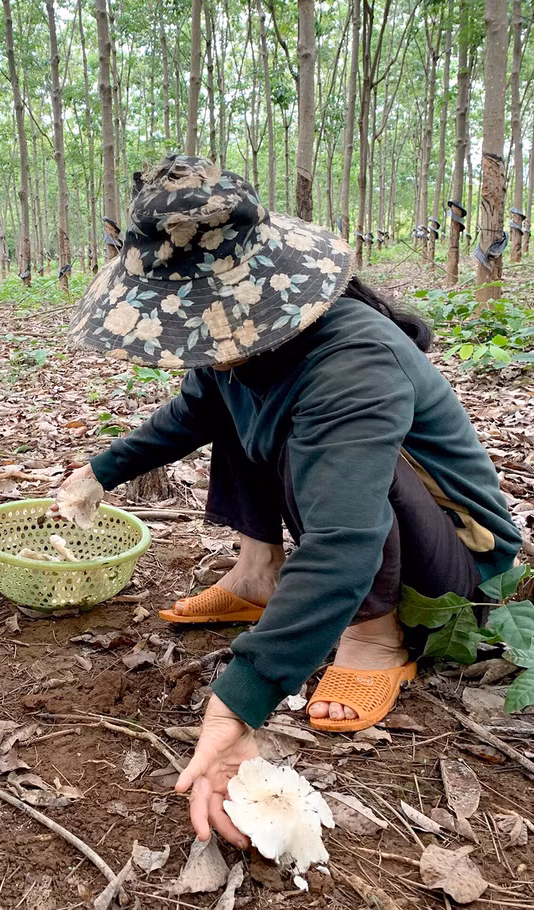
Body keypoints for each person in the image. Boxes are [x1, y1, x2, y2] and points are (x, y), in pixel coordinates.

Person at [60, 155, 521, 846]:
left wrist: (242, 697)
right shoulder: (236, 346)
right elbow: (190, 414)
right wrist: (98, 471)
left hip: (453, 555)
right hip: (357, 518)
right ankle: (256, 575)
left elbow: (343, 538)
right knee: (236, 407)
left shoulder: (354, 364)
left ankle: (375, 635)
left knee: (336, 459)